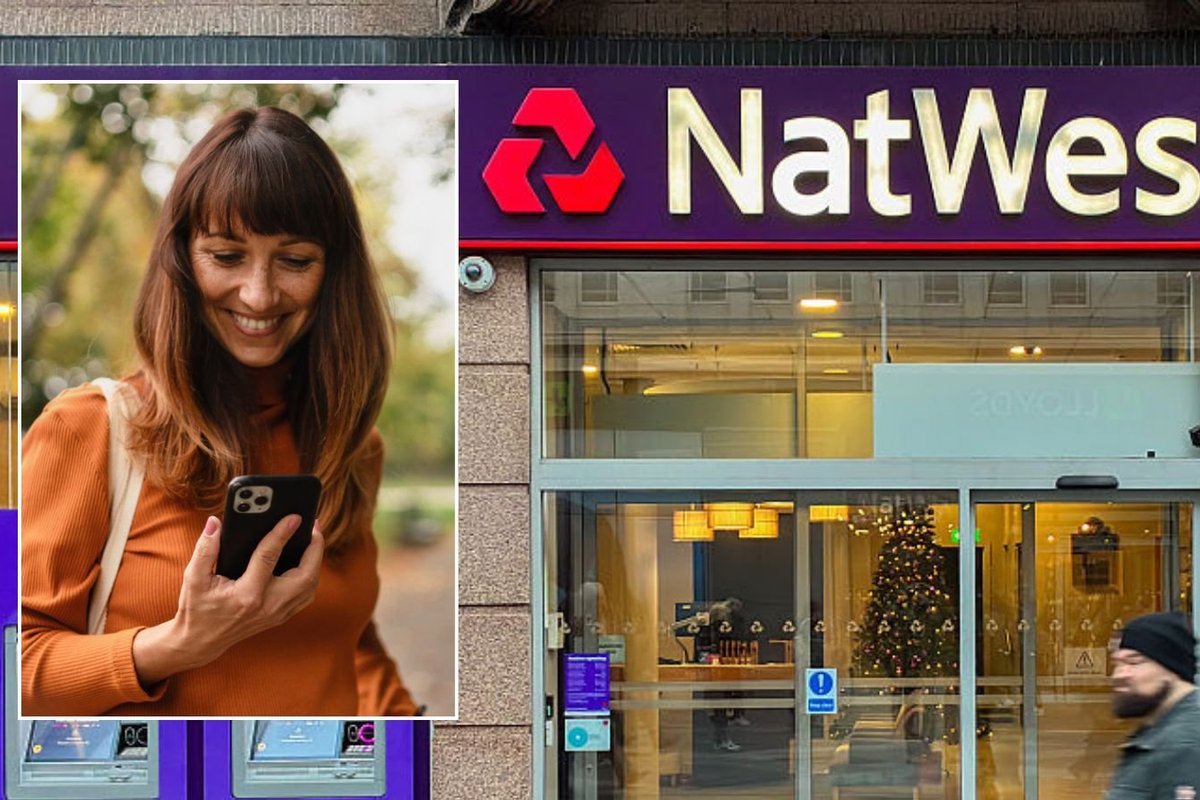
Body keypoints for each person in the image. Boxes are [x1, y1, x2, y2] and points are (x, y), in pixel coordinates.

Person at [21, 106, 418, 717]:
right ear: (181, 260)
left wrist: (426, 748)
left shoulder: (355, 449)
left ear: (333, 271)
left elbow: (349, 644)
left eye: (295, 260)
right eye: (227, 256)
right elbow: (18, 667)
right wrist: (177, 644)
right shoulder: (91, 427)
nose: (259, 294)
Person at [1106, 612, 1200, 800]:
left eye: (1134, 662)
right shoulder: (1156, 732)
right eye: (1117, 663)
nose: (1120, 674)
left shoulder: (1184, 745)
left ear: (1172, 669)